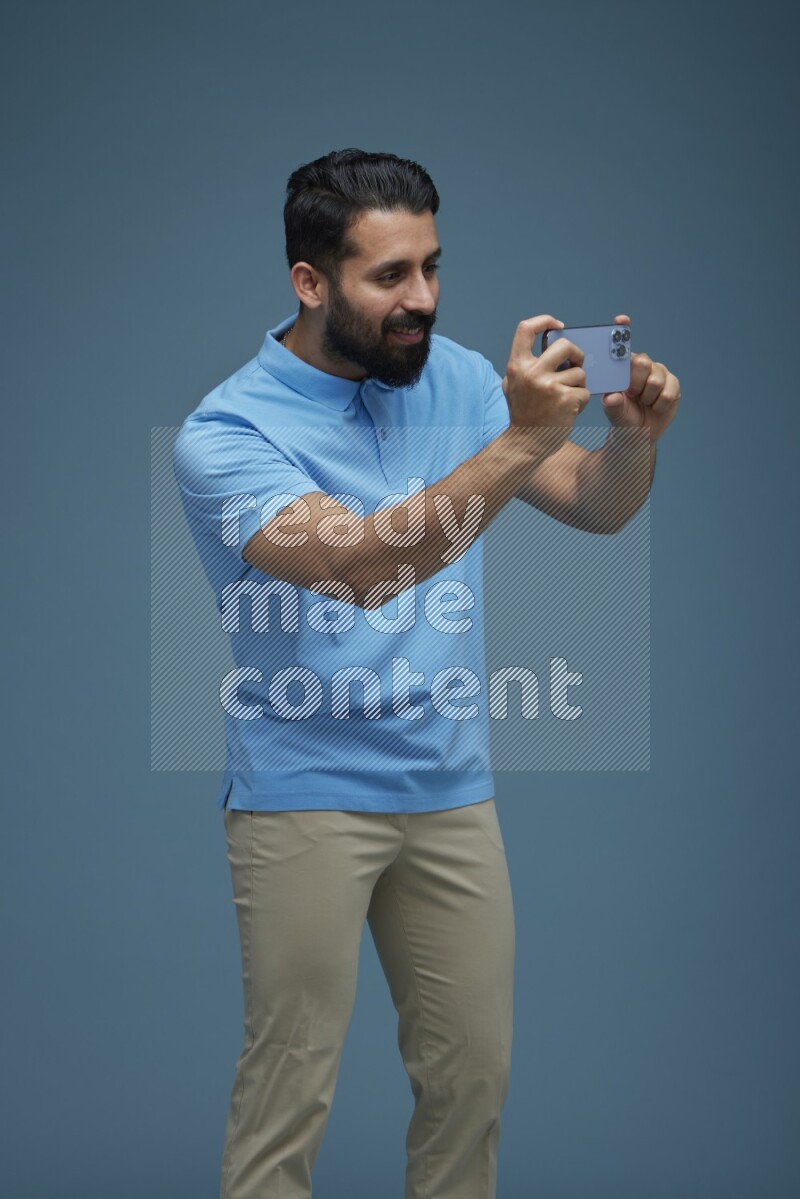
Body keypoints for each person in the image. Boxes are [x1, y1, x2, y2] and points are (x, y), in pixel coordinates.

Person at [172, 148, 680, 1199]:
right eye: (389, 277)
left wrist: (629, 441)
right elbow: (360, 567)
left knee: (470, 1081)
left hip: (451, 789)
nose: (424, 301)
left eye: (432, 268)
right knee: (288, 1092)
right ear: (310, 282)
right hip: (303, 792)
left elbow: (591, 500)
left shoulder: (448, 377)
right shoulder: (226, 434)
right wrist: (520, 434)